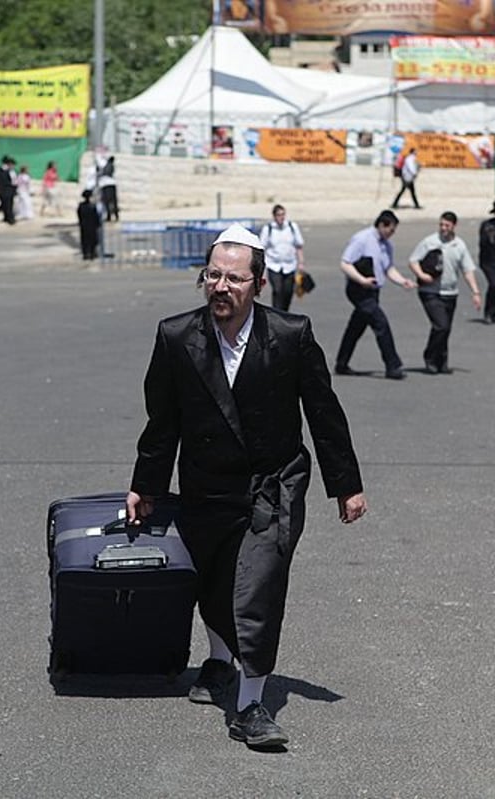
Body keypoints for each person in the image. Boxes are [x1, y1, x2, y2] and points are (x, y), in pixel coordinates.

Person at [125, 223, 367, 749]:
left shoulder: (290, 334)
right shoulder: (175, 336)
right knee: (211, 581)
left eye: (234, 278)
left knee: (257, 585)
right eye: (212, 275)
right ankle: (217, 660)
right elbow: (161, 423)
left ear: (258, 283)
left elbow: (323, 413)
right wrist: (144, 486)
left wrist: (345, 484)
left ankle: (250, 704)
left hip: (273, 485)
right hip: (206, 486)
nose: (221, 287)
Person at [333, 210, 414, 380]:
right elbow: (345, 263)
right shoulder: (362, 239)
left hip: (373, 291)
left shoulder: (387, 246)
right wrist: (362, 280)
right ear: (382, 225)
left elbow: (389, 269)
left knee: (355, 328)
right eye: (391, 230)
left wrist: (402, 281)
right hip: (358, 290)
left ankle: (341, 363)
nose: (392, 234)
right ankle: (393, 366)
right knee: (381, 324)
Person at [408, 211, 482, 374]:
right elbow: (413, 261)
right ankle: (430, 357)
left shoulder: (459, 245)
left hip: (450, 293)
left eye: (447, 225)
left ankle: (441, 362)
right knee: (441, 325)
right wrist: (421, 275)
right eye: (441, 225)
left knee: (445, 329)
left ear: (454, 226)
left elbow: (467, 270)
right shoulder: (429, 242)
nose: (443, 228)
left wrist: (475, 292)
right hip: (430, 291)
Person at [259, 204, 305, 312]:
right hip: (274, 265)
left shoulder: (292, 227)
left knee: (288, 291)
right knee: (278, 290)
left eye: (283, 214)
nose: (281, 217)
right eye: (279, 215)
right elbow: (262, 248)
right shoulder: (268, 229)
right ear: (274, 216)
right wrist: (262, 269)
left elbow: (299, 245)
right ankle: (277, 313)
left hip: (290, 265)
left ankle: (284, 313)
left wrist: (301, 262)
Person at [0, 156, 16, 225]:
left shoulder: (10, 171)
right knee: (7, 205)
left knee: (7, 204)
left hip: (9, 190)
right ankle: (10, 219)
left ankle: (6, 217)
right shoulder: (2, 171)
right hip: (4, 190)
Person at [77, 189, 101, 260]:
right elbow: (96, 217)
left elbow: (79, 215)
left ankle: (86, 254)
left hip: (84, 226)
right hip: (92, 226)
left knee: (85, 240)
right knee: (92, 240)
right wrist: (98, 224)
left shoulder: (81, 206)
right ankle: (92, 253)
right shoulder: (92, 206)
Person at [97, 155, 119, 222]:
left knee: (108, 201)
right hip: (108, 184)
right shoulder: (109, 165)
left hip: (106, 184)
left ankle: (112, 216)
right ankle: (112, 215)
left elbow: (107, 173)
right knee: (111, 201)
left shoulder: (107, 166)